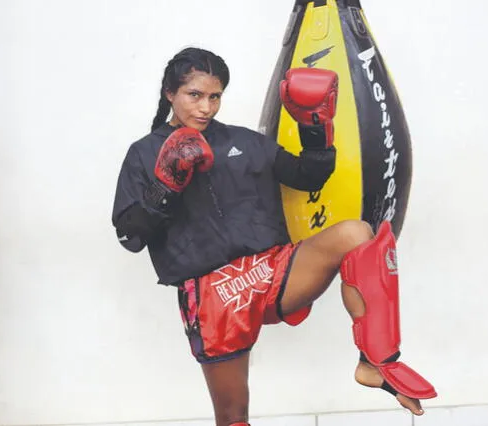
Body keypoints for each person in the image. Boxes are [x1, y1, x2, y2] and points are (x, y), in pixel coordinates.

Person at [111, 47, 435, 426]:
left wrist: (314, 128)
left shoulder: (245, 142)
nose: (206, 107)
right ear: (170, 93)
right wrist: (165, 184)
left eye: (214, 96)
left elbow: (307, 176)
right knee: (233, 417)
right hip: (215, 297)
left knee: (358, 233)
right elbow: (130, 236)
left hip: (271, 272)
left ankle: (375, 361)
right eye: (194, 95)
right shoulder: (144, 153)